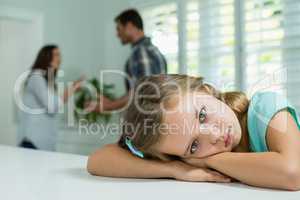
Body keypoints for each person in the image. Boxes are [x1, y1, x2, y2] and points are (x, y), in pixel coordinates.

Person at [87, 74, 300, 191]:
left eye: (202, 115)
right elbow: (98, 160)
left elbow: (292, 174)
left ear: (206, 91)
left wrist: (208, 161)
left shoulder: (265, 108)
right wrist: (174, 169)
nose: (213, 135)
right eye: (194, 145)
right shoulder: (182, 158)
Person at [87, 9, 167, 112]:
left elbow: (145, 92)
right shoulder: (150, 49)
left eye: (118, 28)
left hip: (146, 123)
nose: (117, 34)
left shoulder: (141, 52)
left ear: (129, 26)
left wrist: (110, 105)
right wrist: (111, 102)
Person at [18, 45, 83, 151]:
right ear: (46, 58)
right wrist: (71, 89)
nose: (59, 58)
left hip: (43, 142)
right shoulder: (36, 77)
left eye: (59, 55)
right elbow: (51, 106)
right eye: (55, 55)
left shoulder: (48, 81)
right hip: (33, 142)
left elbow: (55, 106)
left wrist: (70, 89)